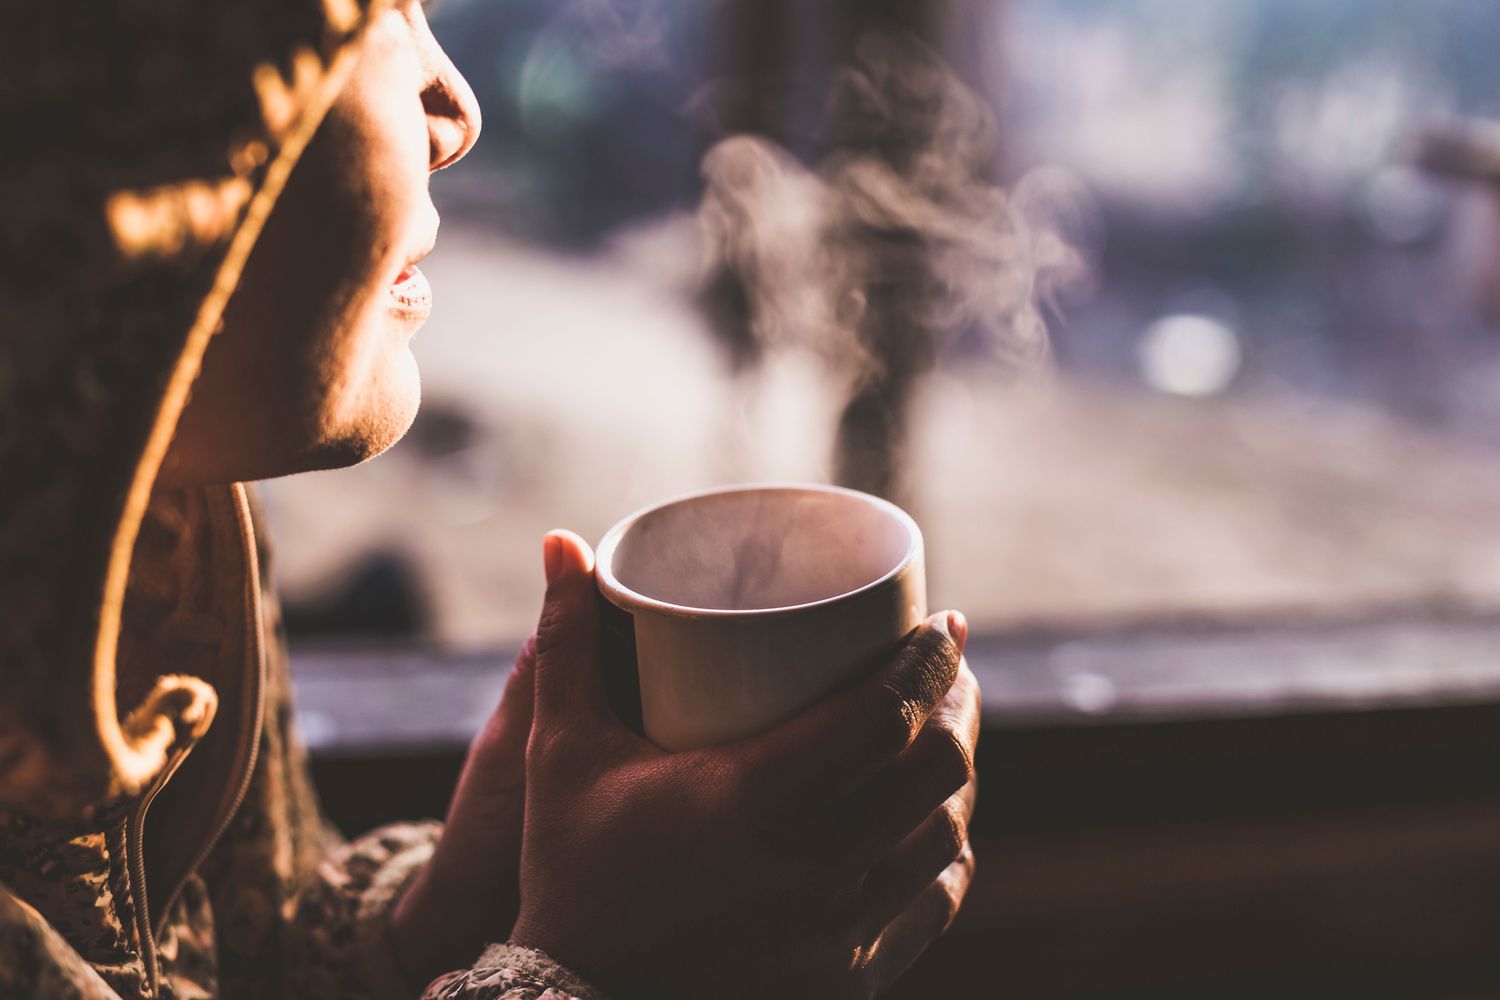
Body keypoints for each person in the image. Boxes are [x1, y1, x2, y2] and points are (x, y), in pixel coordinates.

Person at [0, 0, 981, 997]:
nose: (457, 111)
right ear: (110, 138)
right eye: (375, 22)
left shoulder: (166, 533)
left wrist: (453, 908)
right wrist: (587, 976)